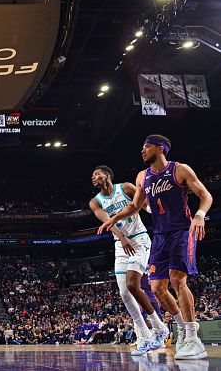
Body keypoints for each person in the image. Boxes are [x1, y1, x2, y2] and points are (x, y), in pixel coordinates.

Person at [99, 134, 213, 360]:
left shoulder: (179, 170)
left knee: (177, 280)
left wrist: (200, 216)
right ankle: (183, 328)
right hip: (159, 235)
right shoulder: (143, 176)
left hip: (181, 231)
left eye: (146, 147)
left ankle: (193, 339)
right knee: (157, 288)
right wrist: (113, 219)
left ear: (160, 149)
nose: (142, 151)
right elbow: (134, 206)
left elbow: (205, 195)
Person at [90, 165, 168, 355]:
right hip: (121, 245)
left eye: (96, 174)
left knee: (133, 285)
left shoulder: (125, 187)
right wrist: (122, 238)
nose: (93, 177)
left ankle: (159, 328)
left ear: (107, 175)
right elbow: (108, 221)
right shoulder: (95, 202)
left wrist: (157, 208)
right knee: (125, 293)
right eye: (92, 176)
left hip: (140, 239)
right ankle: (145, 336)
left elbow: (144, 205)